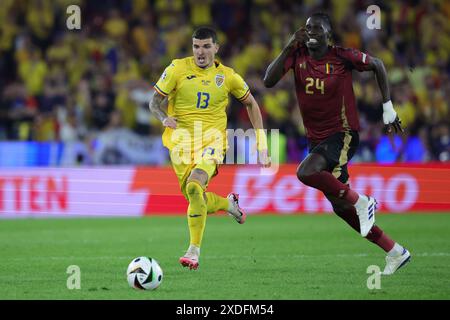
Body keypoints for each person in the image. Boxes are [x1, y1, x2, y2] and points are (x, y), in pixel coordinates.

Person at [264, 13, 410, 275]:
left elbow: (377, 64)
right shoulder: (296, 55)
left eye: (317, 29)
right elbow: (268, 81)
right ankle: (395, 251)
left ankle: (362, 201)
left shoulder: (341, 56)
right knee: (341, 208)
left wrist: (388, 108)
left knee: (305, 172)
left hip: (343, 134)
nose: (310, 32)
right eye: (307, 28)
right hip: (317, 140)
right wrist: (287, 45)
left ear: (328, 35)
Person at [149, 27, 270, 270]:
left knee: (194, 186)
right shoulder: (177, 69)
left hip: (213, 142)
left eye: (205, 46)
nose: (200, 52)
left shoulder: (228, 76)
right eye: (196, 46)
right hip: (180, 145)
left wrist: (262, 144)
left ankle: (193, 251)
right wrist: (163, 117)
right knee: (196, 197)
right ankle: (228, 205)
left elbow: (251, 104)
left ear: (216, 48)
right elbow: (154, 102)